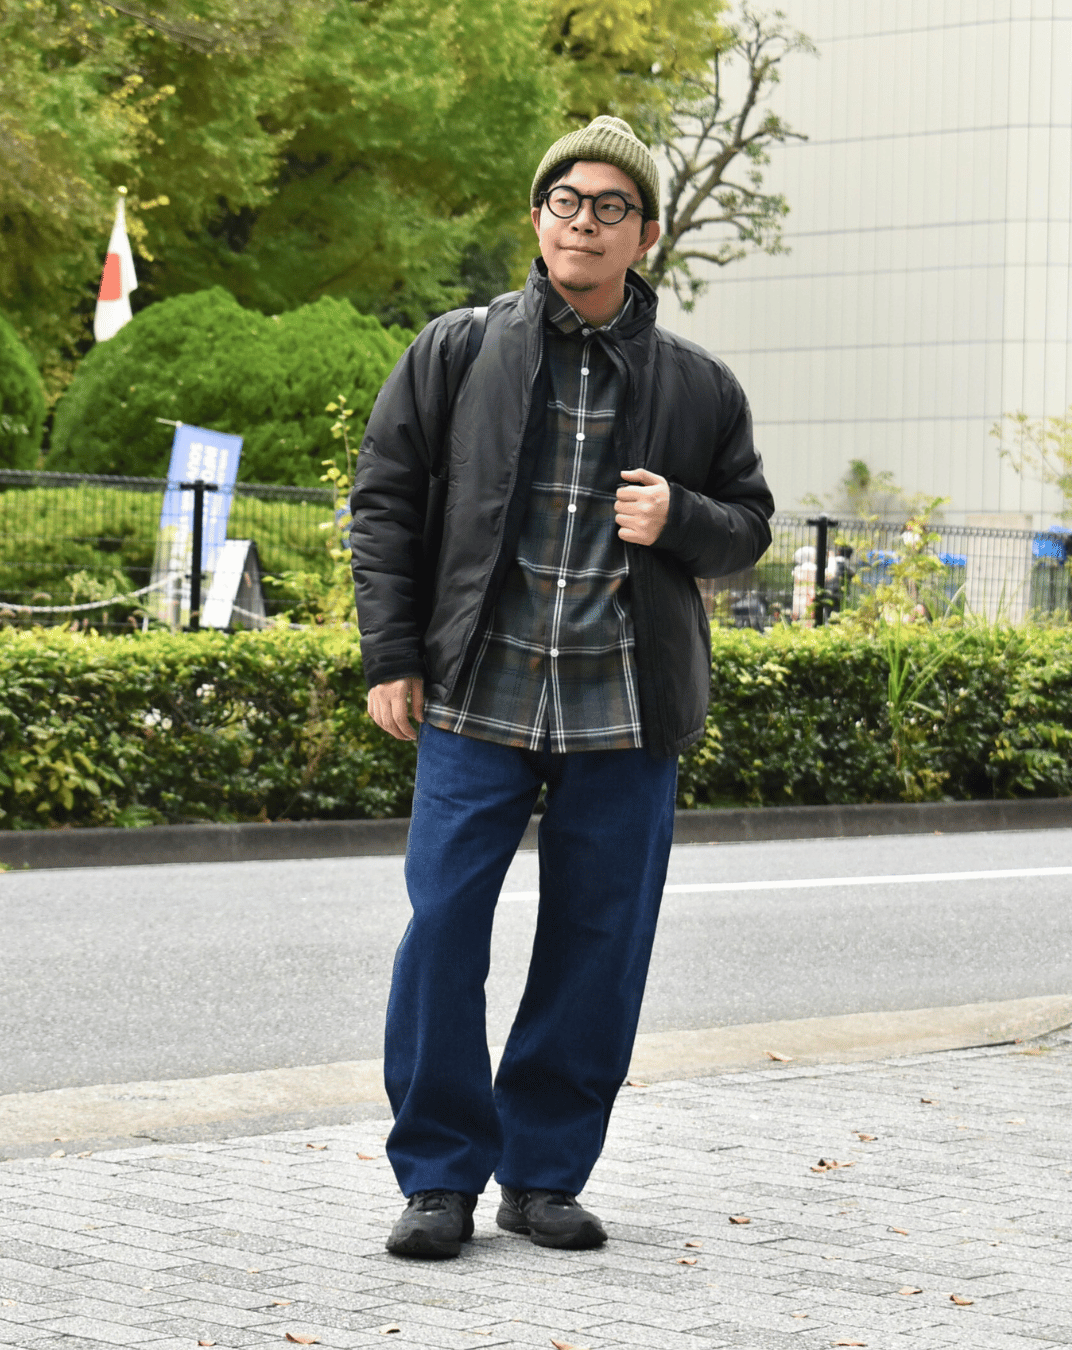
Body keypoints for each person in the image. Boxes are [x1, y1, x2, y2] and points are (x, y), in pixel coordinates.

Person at [350, 115, 774, 1260]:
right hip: (475, 697)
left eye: (611, 207)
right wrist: (392, 654)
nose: (585, 222)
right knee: (443, 929)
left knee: (599, 943)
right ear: (538, 219)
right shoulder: (457, 349)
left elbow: (749, 525)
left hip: (625, 710)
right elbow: (385, 501)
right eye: (566, 202)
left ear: (647, 234)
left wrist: (680, 516)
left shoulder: (698, 384)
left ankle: (545, 1175)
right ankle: (438, 1176)